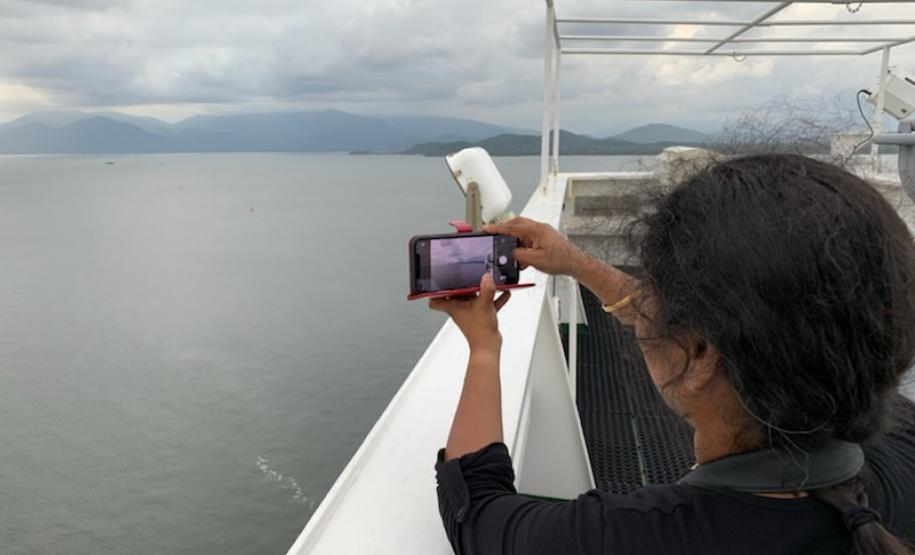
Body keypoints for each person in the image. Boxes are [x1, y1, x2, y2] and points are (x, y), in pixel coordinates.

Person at [430, 154, 915, 554]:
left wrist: (484, 345)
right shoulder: (893, 451)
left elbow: (477, 514)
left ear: (700, 353)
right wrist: (573, 261)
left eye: (655, 291)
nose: (644, 303)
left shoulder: (636, 537)